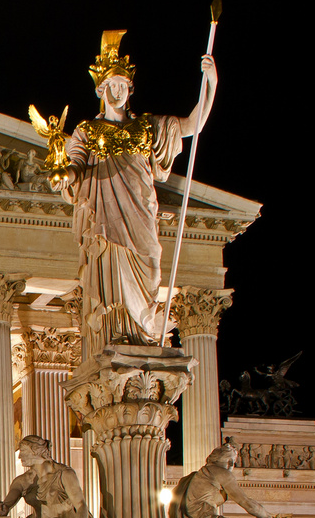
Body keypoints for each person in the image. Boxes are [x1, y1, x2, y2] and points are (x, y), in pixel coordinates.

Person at [52, 30, 216, 345]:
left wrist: (211, 84)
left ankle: (145, 333)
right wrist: (67, 176)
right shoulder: (87, 131)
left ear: (130, 90)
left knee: (152, 260)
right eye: (111, 86)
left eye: (123, 86)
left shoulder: (147, 127)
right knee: (113, 282)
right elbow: (75, 164)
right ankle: (119, 337)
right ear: (101, 90)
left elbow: (192, 125)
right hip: (107, 219)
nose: (117, 92)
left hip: (141, 210)